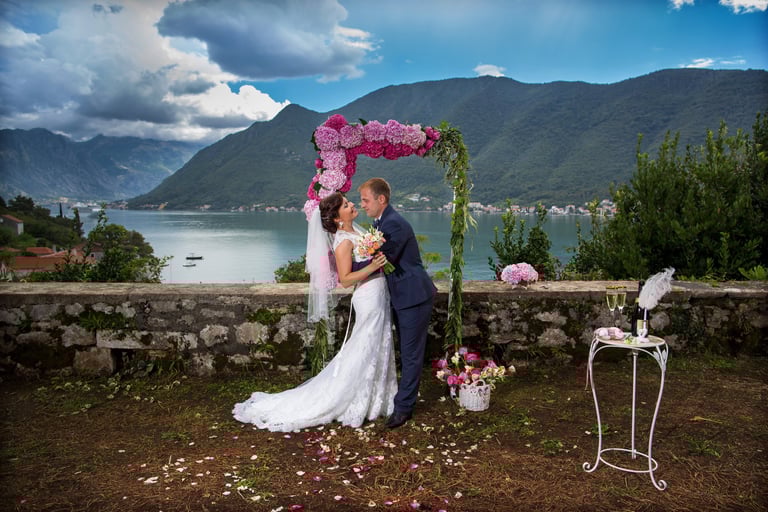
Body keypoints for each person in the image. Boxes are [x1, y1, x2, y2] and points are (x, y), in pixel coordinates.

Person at [232, 192, 396, 432]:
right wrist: (372, 267)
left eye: (350, 202)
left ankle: (377, 396)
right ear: (338, 217)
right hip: (368, 296)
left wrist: (377, 259)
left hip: (379, 292)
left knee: (378, 342)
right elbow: (346, 279)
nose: (352, 205)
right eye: (347, 204)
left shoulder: (358, 233)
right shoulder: (343, 241)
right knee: (365, 344)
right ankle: (350, 397)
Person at [358, 178, 437, 429]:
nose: (363, 205)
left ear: (381, 200)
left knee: (412, 354)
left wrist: (349, 267)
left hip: (413, 296)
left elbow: (383, 259)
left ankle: (404, 408)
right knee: (407, 351)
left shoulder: (394, 224)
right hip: (401, 295)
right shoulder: (381, 222)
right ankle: (402, 399)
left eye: (365, 200)